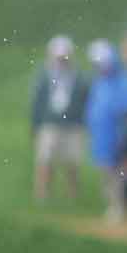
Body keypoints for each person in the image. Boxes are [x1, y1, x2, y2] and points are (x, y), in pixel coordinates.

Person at [84, 40, 127, 223]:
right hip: (101, 135)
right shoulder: (99, 82)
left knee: (117, 173)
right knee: (106, 172)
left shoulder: (122, 81)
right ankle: (113, 205)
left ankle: (120, 206)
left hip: (116, 134)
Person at [29, 35, 89, 203]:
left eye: (64, 57)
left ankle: (72, 194)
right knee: (45, 160)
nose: (62, 61)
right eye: (58, 57)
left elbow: (85, 101)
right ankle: (42, 194)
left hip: (73, 125)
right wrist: (35, 126)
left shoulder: (79, 77)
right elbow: (37, 102)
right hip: (50, 124)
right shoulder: (43, 76)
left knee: (72, 161)